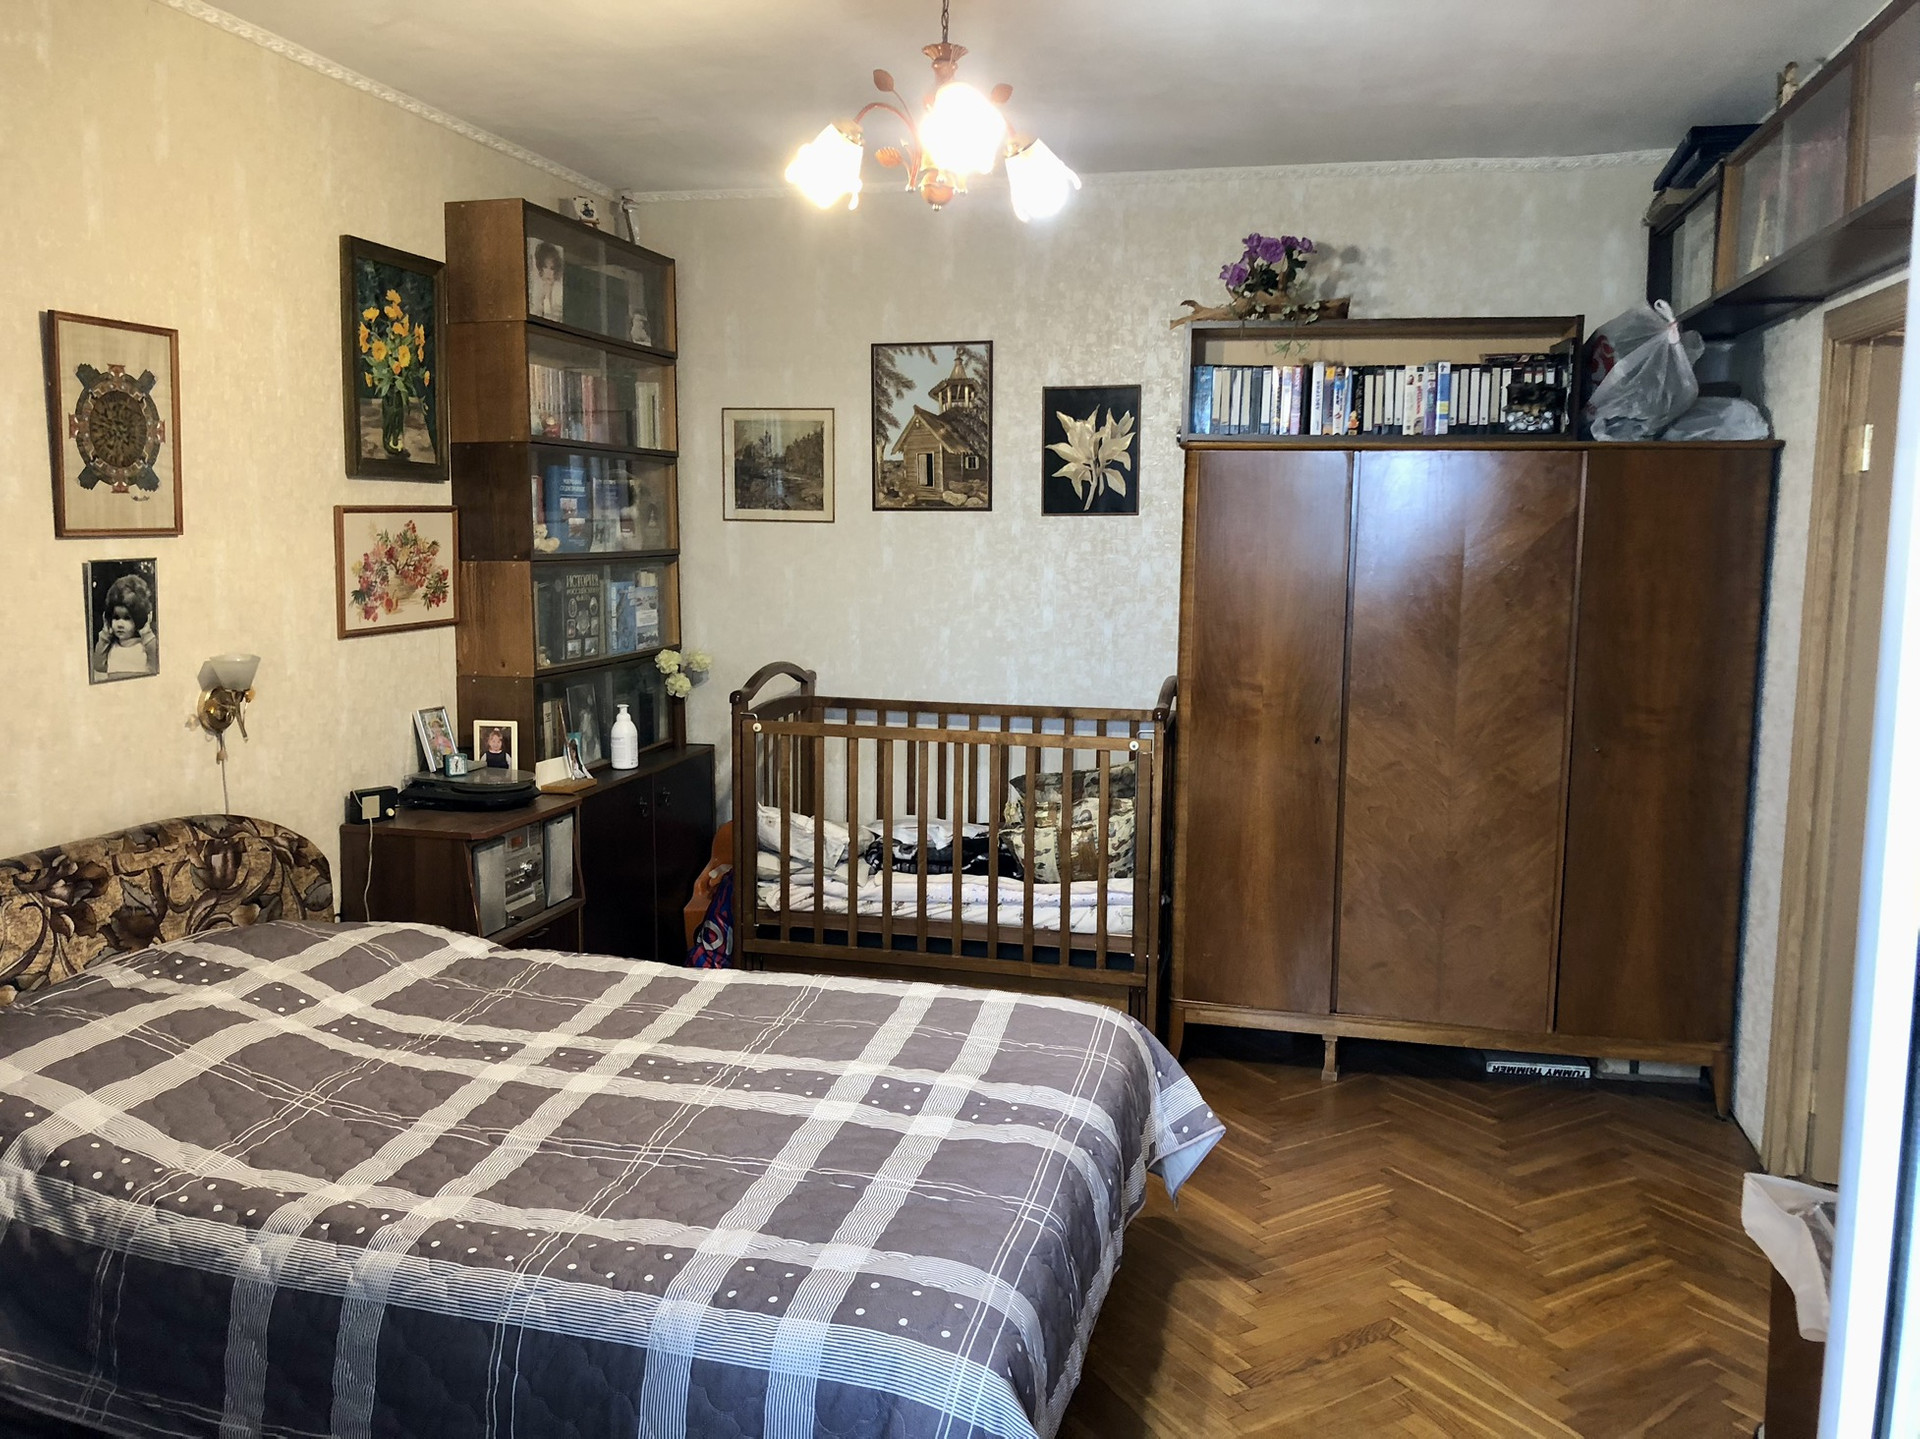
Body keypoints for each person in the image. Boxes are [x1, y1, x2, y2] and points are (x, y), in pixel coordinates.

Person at [91, 573, 157, 679]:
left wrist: (147, 633)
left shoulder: (144, 647)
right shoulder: (111, 647)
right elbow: (98, 667)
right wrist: (105, 635)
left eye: (127, 618)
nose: (120, 624)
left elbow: (156, 665)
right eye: (116, 618)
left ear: (137, 618)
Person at [530, 242, 564, 320]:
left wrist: (548, 296)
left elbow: (553, 319)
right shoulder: (536, 286)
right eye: (545, 267)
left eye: (552, 268)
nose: (548, 272)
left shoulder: (559, 289)